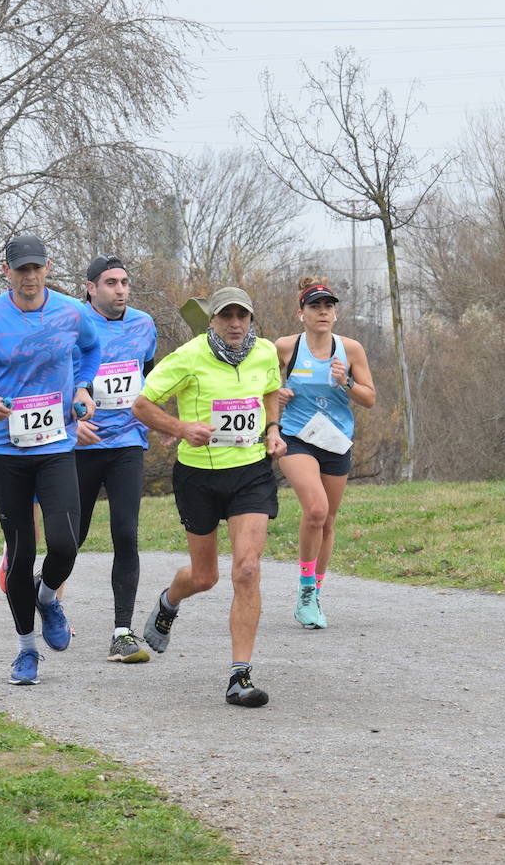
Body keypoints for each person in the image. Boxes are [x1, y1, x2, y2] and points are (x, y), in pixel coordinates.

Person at [0, 234, 100, 686]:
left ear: (48, 267)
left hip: (56, 445)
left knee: (66, 543)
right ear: (6, 272)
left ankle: (48, 598)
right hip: (7, 449)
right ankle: (26, 651)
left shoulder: (71, 311)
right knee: (20, 553)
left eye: (36, 268)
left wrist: (84, 386)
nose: (29, 277)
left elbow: (90, 350)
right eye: (21, 269)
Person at [132, 287, 285, 707]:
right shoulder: (189, 356)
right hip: (198, 477)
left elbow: (271, 388)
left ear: (251, 319)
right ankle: (169, 601)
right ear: (213, 320)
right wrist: (180, 429)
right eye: (226, 317)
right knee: (205, 577)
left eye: (243, 316)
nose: (236, 324)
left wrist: (273, 429)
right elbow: (141, 405)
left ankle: (240, 677)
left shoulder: (266, 352)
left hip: (250, 473)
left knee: (247, 569)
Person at [275, 277, 376, 630]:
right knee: (315, 510)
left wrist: (346, 381)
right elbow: (261, 388)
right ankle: (304, 592)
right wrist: (278, 394)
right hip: (297, 437)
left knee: (328, 521)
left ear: (335, 313)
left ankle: (315, 592)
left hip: (335, 441)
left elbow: (369, 398)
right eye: (315, 306)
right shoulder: (285, 347)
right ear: (300, 312)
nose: (322, 312)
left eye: (328, 306)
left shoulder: (351, 349)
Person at [74, 254, 158, 664]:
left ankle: (122, 631)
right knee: (69, 539)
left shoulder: (144, 324)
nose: (121, 289)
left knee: (126, 533)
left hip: (126, 442)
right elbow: (52, 376)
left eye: (124, 282)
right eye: (111, 283)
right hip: (81, 444)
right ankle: (44, 592)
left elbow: (148, 371)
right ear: (91, 287)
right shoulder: (72, 322)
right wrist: (70, 422)